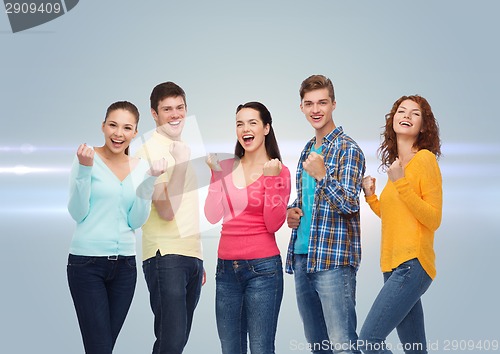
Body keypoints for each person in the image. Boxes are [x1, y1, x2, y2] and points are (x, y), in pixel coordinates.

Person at [67, 101, 166, 354]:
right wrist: (84, 171)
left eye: (126, 128)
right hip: (87, 265)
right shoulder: (86, 159)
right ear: (103, 126)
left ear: (135, 132)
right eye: (113, 125)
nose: (118, 133)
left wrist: (149, 182)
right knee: (100, 348)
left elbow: (135, 222)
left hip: (125, 268)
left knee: (104, 347)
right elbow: (77, 213)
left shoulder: (141, 167)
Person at [285, 75, 365, 354]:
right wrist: (292, 212)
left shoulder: (348, 149)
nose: (315, 109)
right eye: (309, 104)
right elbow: (308, 198)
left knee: (343, 346)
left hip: (333, 260)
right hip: (303, 257)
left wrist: (322, 176)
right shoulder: (307, 150)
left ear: (333, 104)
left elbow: (349, 204)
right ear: (301, 107)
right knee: (318, 347)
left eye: (322, 102)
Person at [204, 101, 291, 354]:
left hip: (263, 270)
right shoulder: (227, 167)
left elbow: (274, 223)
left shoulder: (279, 171)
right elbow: (211, 215)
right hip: (226, 270)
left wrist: (272, 180)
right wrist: (215, 177)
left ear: (266, 128)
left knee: (261, 348)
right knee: (230, 348)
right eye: (239, 123)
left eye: (252, 122)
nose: (245, 129)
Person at [358, 95, 442, 354]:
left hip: (412, 265)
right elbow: (395, 215)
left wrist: (402, 183)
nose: (406, 115)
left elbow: (433, 218)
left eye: (415, 113)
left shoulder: (425, 160)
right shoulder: (396, 167)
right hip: (393, 267)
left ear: (423, 125)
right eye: (401, 111)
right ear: (392, 120)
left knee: (368, 341)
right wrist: (371, 196)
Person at [134, 82, 204, 354]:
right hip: (165, 256)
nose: (175, 115)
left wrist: (197, 258)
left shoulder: (183, 147)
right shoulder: (147, 152)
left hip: (189, 257)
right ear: (154, 113)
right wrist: (180, 163)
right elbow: (166, 210)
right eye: (167, 110)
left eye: (180, 108)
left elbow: (187, 208)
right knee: (171, 342)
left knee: (176, 342)